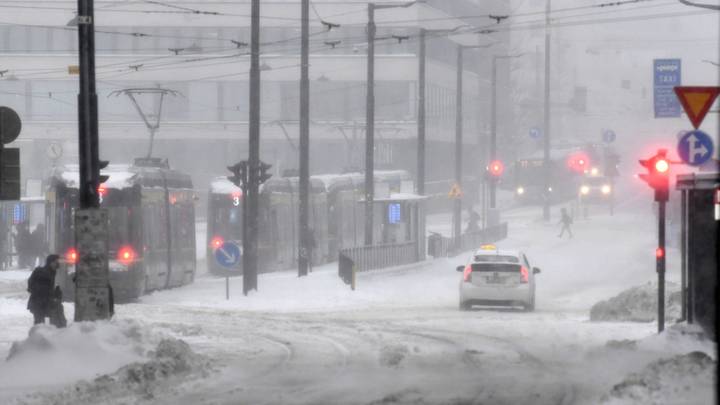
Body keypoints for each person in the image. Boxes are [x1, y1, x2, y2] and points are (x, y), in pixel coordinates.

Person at [27, 254, 63, 326]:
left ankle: (55, 334)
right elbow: (34, 287)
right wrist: (52, 293)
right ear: (51, 262)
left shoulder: (52, 272)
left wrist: (56, 292)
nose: (58, 263)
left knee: (53, 321)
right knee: (40, 325)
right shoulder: (42, 272)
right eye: (56, 262)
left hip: (45, 302)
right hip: (39, 303)